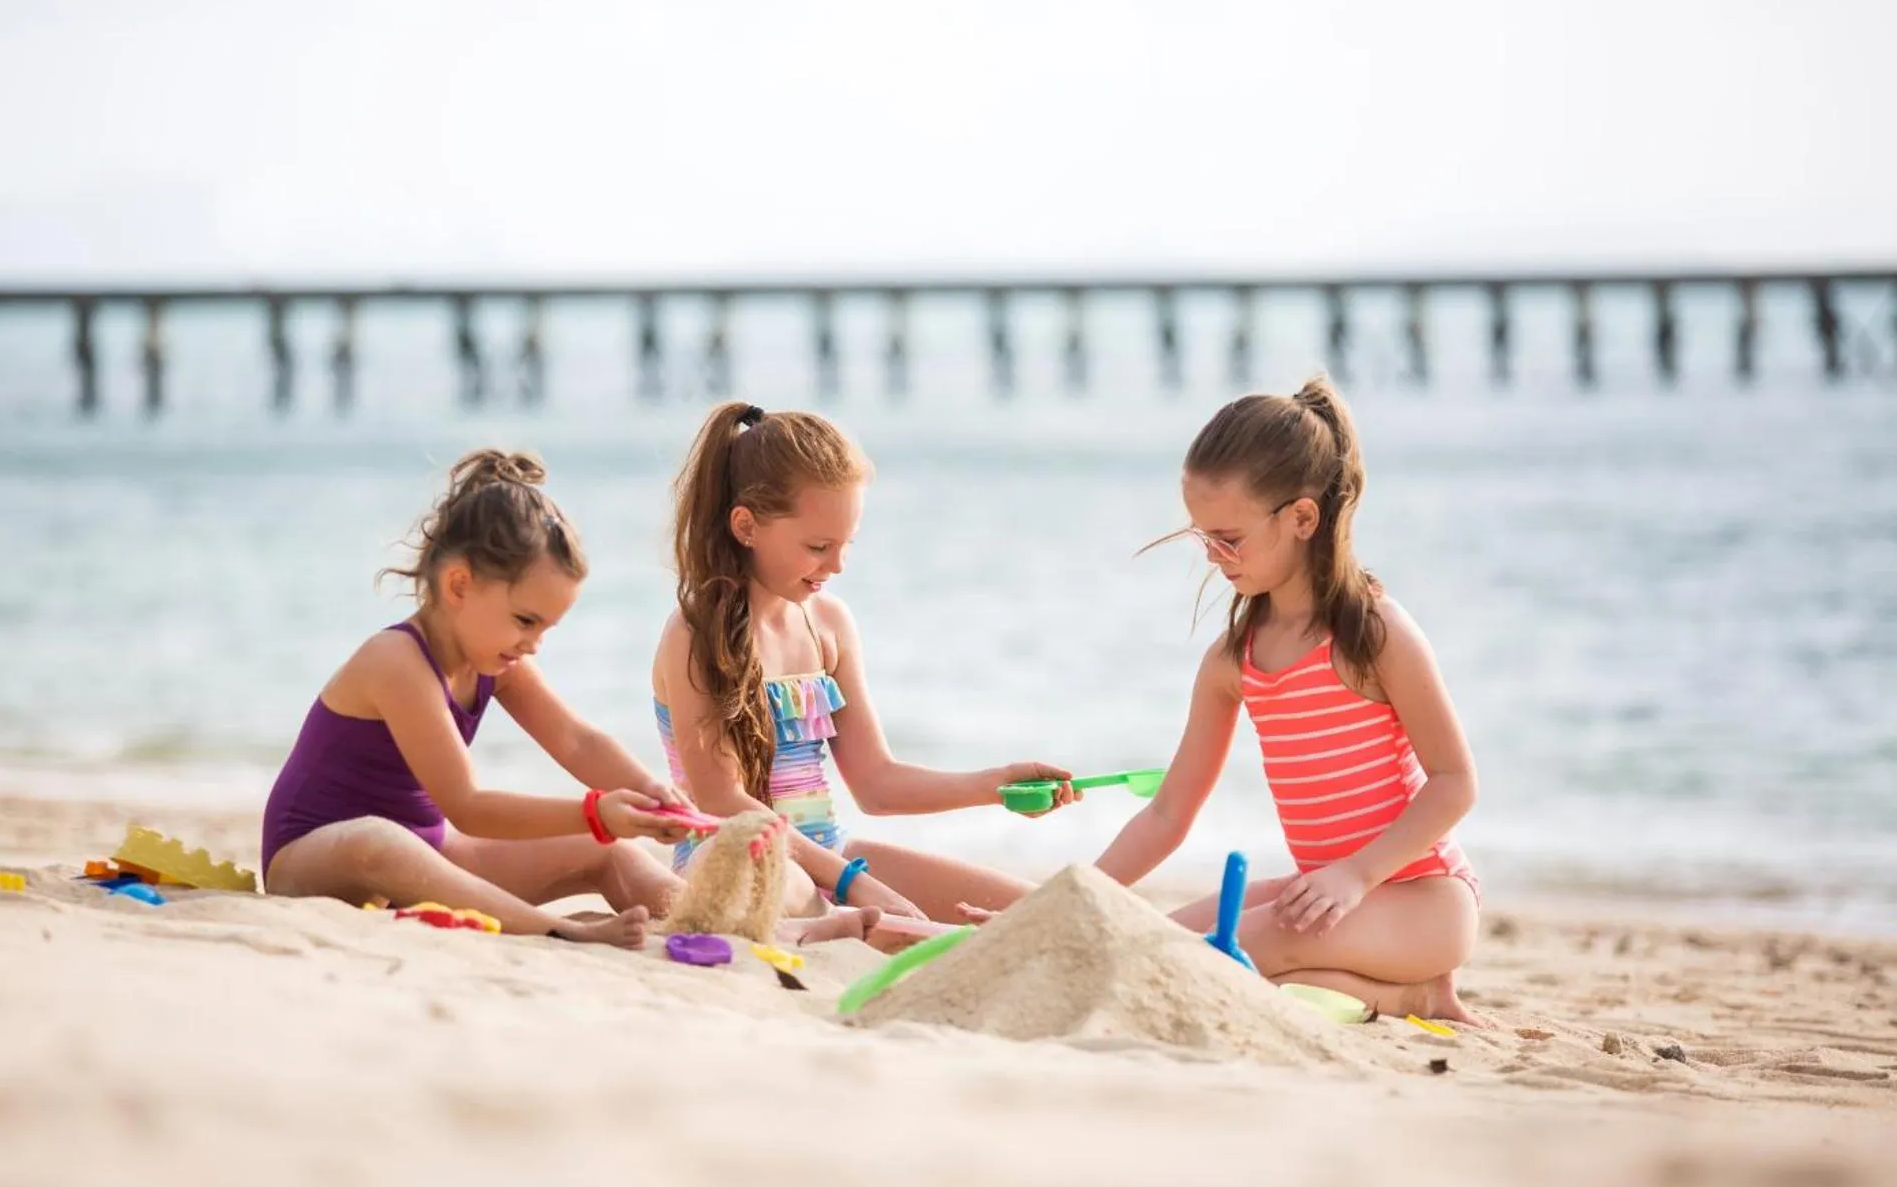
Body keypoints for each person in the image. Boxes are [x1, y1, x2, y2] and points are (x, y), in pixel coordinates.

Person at [261, 447, 868, 947]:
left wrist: (659, 799)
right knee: (380, 840)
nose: (533, 644)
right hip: (318, 859)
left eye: (547, 629)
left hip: (429, 853)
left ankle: (756, 929)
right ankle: (558, 931)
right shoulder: (396, 661)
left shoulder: (495, 658)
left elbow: (577, 739)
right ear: (458, 586)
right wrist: (597, 813)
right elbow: (467, 804)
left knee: (608, 855)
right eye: (526, 621)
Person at [1093, 378, 1481, 1021]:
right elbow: (1168, 814)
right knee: (1150, 938)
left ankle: (1416, 982)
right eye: (1202, 538)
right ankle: (1410, 997)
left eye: (1230, 538)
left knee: (1188, 955)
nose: (1215, 557)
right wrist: (1085, 894)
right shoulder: (1230, 661)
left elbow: (1454, 782)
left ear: (1302, 518)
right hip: (1326, 898)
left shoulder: (1373, 633)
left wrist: (1357, 874)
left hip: (1424, 901)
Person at [651, 402, 1074, 928]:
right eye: (818, 546)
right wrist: (854, 882)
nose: (837, 565)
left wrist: (996, 786)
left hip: (830, 859)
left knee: (1051, 913)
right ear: (746, 526)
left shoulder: (827, 624)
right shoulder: (694, 635)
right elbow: (722, 801)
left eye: (846, 544)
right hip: (736, 865)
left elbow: (877, 784)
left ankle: (869, 923)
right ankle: (871, 925)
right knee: (780, 875)